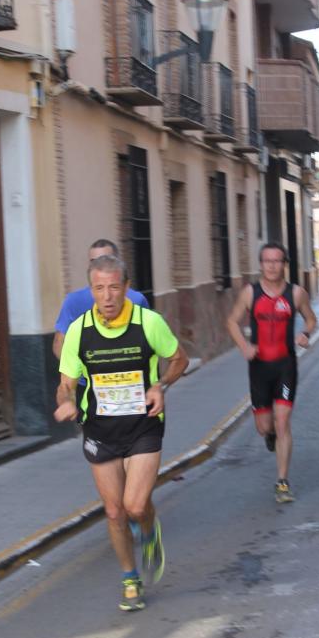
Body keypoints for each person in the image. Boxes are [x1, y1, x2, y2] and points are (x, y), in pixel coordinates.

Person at [55, 255, 188, 612]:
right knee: (114, 512)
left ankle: (148, 528)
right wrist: (67, 400)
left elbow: (180, 358)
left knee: (134, 505)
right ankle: (130, 578)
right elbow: (66, 383)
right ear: (91, 290)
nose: (108, 296)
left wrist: (160, 385)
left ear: (126, 287)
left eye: (114, 287)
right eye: (99, 288)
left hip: (143, 426)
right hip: (99, 429)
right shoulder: (79, 332)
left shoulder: (149, 323)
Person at [227, 242, 317, 503]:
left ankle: (282, 482)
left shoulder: (296, 293)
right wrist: (244, 346)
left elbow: (311, 319)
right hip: (258, 367)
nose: (272, 266)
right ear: (261, 264)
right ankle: (270, 436)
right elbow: (231, 321)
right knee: (265, 426)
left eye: (277, 261)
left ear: (284, 264)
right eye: (267, 261)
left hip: (285, 366)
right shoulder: (250, 293)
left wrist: (306, 333)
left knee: (283, 421)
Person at [52, 239, 149, 361]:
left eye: (105, 259)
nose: (99, 265)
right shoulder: (73, 301)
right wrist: (78, 373)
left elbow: (148, 343)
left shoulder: (137, 300)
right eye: (93, 262)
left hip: (128, 377)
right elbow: (59, 344)